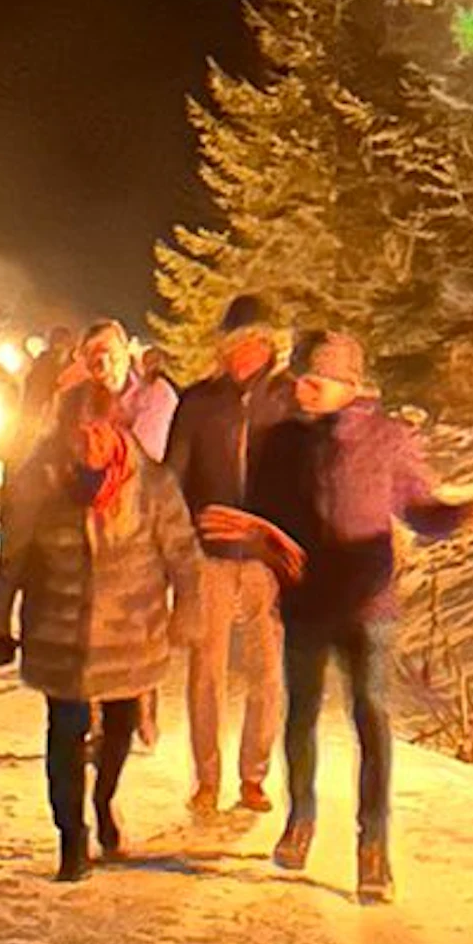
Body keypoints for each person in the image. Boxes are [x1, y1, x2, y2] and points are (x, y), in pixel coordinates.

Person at [206, 331, 473, 905]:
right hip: (305, 601)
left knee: (371, 720)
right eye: (300, 377)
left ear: (348, 383)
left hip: (368, 605)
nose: (304, 388)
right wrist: (263, 541)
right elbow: (261, 516)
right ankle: (301, 819)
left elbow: (422, 513)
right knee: (301, 719)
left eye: (316, 379)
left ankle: (374, 848)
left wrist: (468, 514)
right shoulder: (279, 442)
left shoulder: (389, 440)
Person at [0, 387, 203, 881]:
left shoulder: (150, 483)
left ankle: (104, 801)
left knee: (119, 726)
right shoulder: (37, 481)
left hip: (130, 631)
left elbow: (183, 553)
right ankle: (71, 837)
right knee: (64, 731)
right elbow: (12, 558)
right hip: (60, 632)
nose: (89, 443)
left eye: (99, 430)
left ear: (116, 427)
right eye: (77, 432)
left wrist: (187, 610)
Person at [166, 293, 293, 815]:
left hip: (266, 559)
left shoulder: (288, 402)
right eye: (237, 345)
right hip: (211, 557)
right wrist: (177, 545)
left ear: (270, 347)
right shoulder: (199, 403)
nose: (245, 355)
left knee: (266, 671)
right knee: (207, 671)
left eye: (255, 344)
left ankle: (254, 776)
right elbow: (173, 478)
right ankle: (207, 777)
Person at [67, 317, 178, 462]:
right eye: (96, 362)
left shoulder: (154, 393)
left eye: (112, 356)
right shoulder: (81, 399)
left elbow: (139, 461)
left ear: (126, 352)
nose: (106, 368)